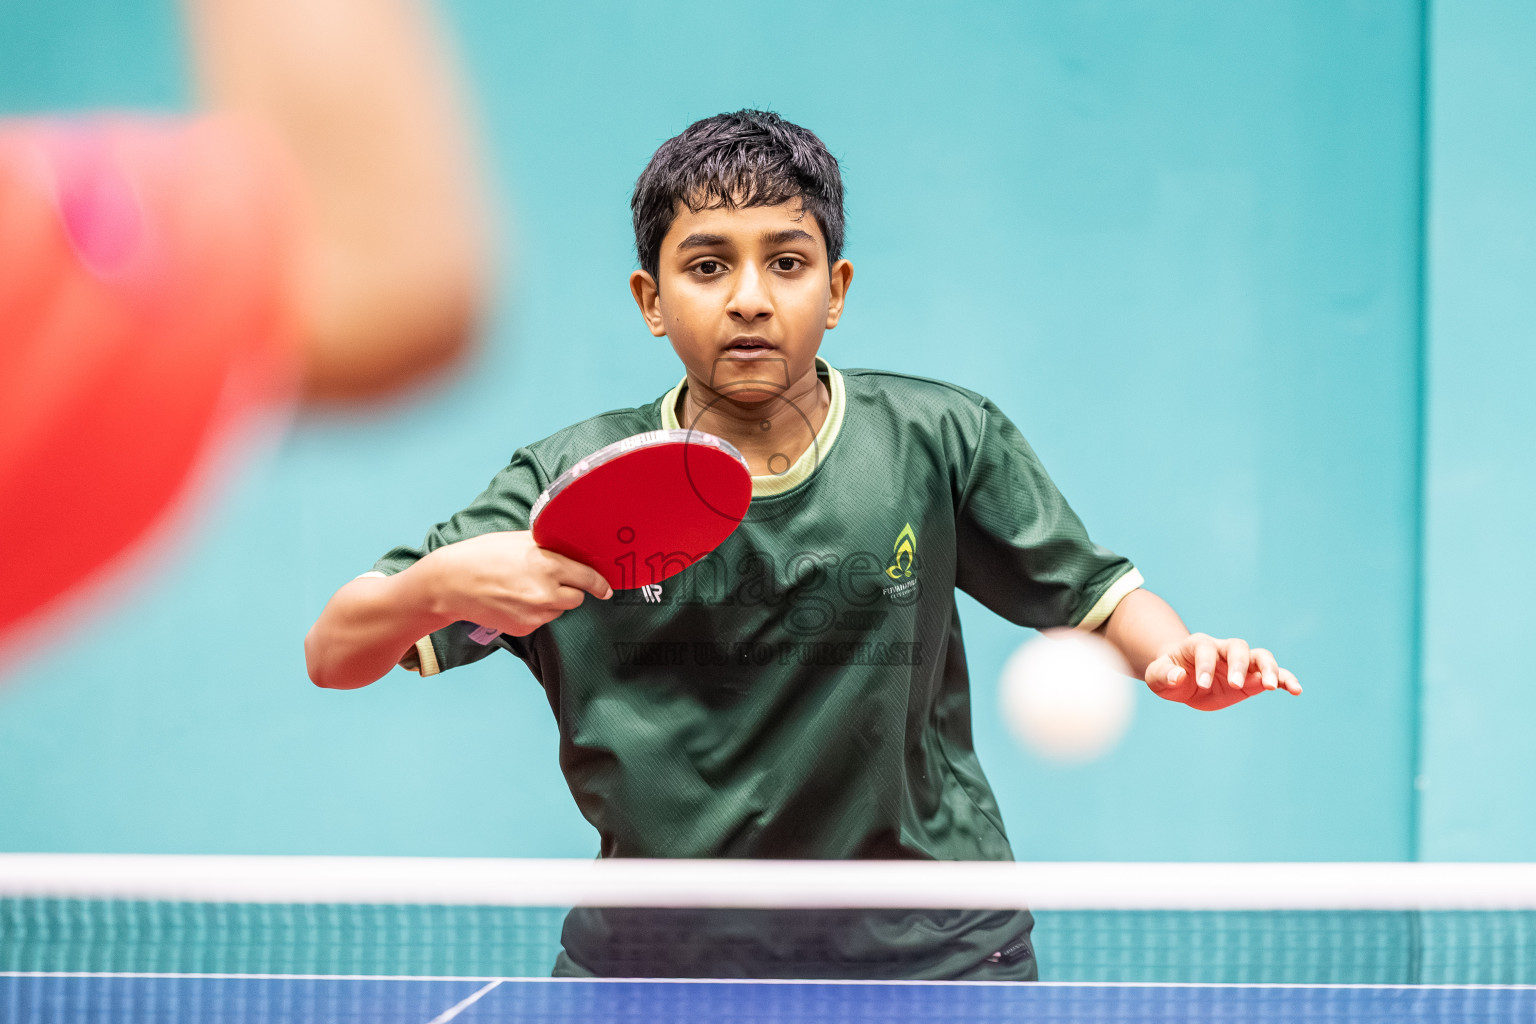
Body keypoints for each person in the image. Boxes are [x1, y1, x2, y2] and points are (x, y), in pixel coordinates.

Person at [304, 110, 1302, 981]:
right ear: (651, 300)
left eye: (786, 262)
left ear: (837, 288)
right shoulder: (573, 478)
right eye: (706, 265)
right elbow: (336, 654)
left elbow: (1097, 597)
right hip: (658, 964)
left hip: (931, 957)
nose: (748, 297)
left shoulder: (941, 440)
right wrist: (435, 586)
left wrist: (1170, 658)